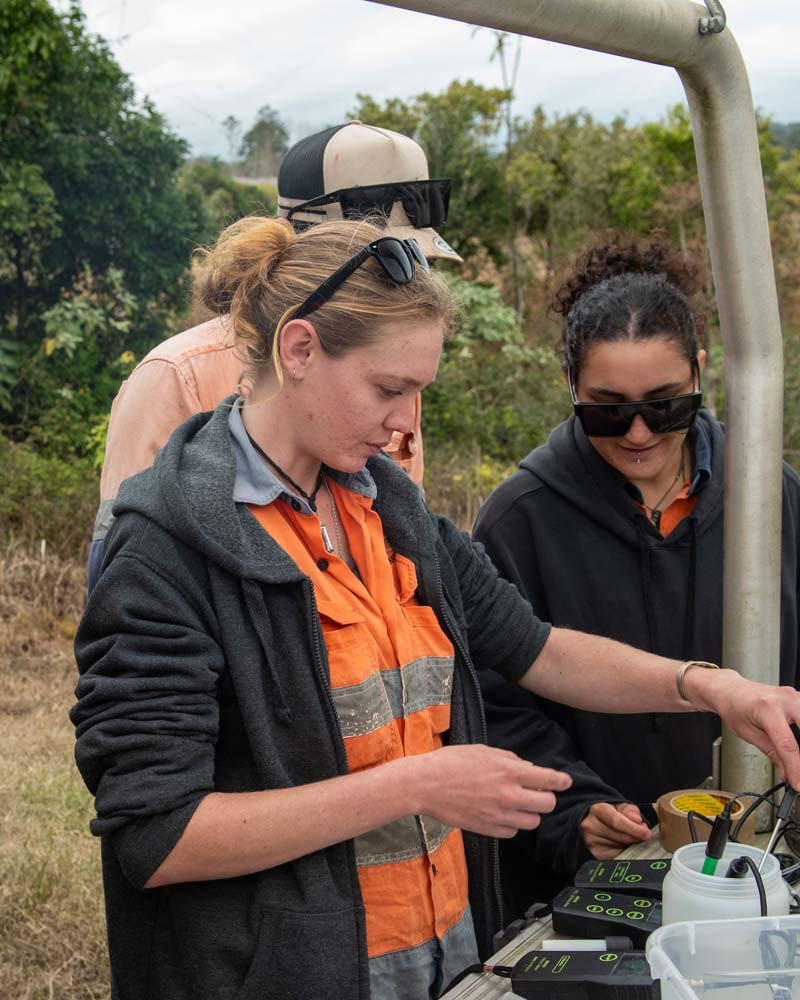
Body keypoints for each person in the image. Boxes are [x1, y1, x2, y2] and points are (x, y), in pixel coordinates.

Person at [72, 215, 800, 1000]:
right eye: (389, 389)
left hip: (438, 953)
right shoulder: (166, 549)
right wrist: (416, 786)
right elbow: (158, 833)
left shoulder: (388, 507)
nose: (406, 420)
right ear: (299, 349)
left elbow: (537, 648)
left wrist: (710, 686)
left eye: (418, 390)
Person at [473, 231, 800, 906]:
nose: (640, 433)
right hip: (594, 881)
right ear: (569, 387)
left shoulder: (773, 496)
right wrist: (573, 813)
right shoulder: (519, 519)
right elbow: (494, 706)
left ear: (703, 372)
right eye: (608, 410)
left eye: (666, 405)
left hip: (765, 855)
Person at [88, 120, 462, 590]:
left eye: (410, 267)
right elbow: (125, 578)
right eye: (366, 268)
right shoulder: (181, 375)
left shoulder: (390, 373)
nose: (390, 292)